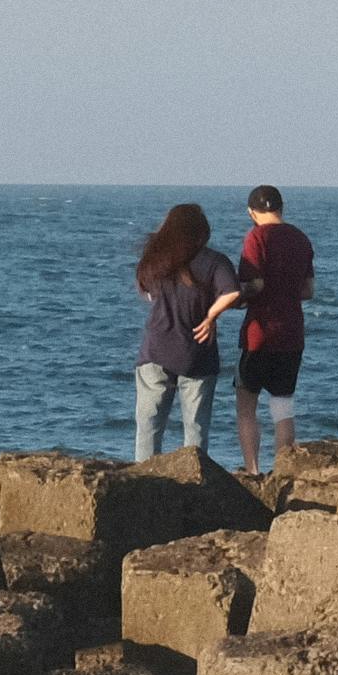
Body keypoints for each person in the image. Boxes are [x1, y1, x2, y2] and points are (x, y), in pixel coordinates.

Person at [225, 183, 316, 469]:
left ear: (250, 212)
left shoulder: (256, 237)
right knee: (283, 407)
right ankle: (283, 469)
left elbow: (255, 284)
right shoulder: (301, 238)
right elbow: (308, 290)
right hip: (291, 333)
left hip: (259, 334)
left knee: (246, 408)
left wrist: (235, 299)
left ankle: (253, 470)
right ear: (281, 208)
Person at [129, 202, 226, 460]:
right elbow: (233, 293)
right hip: (198, 351)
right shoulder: (213, 261)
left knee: (149, 424)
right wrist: (211, 316)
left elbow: (149, 294)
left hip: (156, 349)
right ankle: (195, 474)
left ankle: (145, 474)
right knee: (196, 426)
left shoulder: (155, 259)